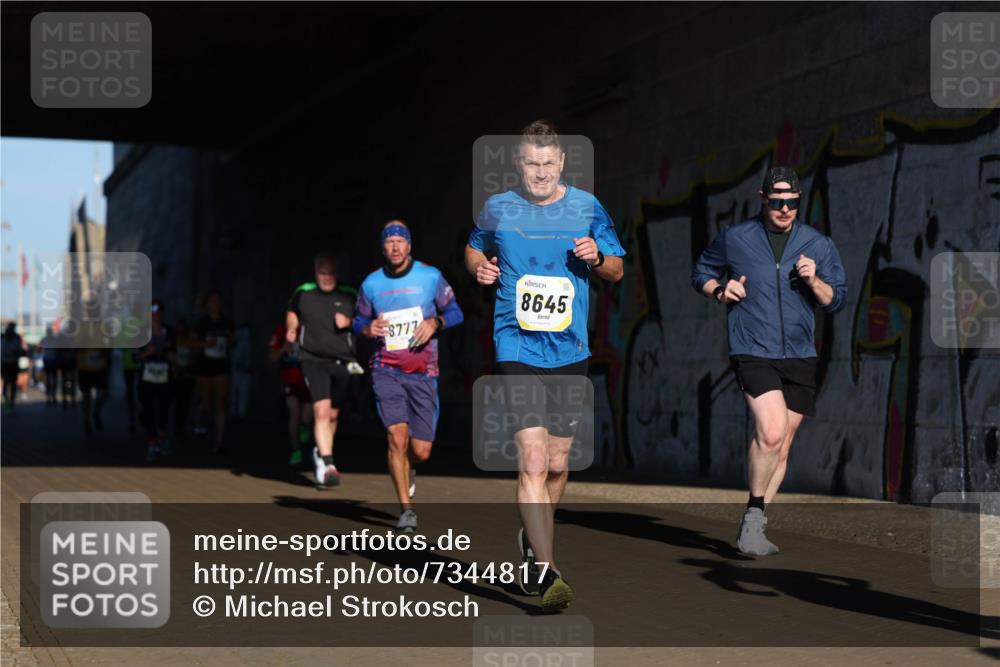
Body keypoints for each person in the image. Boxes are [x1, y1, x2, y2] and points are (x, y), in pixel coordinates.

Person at [465, 120, 625, 611]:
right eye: (530, 163)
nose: (538, 172)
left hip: (571, 350)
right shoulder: (500, 207)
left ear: (561, 164)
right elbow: (474, 247)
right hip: (515, 346)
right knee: (532, 460)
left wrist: (597, 257)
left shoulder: (586, 207)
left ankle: (533, 537)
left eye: (547, 164)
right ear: (519, 165)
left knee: (558, 463)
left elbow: (618, 269)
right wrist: (480, 269)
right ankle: (547, 570)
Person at [691, 166, 847, 556]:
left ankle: (756, 526)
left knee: (783, 443)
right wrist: (719, 290)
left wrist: (814, 281)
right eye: (777, 202)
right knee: (772, 432)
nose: (784, 210)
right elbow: (702, 273)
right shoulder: (736, 238)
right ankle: (753, 517)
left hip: (800, 353)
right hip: (753, 348)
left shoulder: (818, 243)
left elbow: (836, 298)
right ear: (763, 199)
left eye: (792, 203)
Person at [354, 220, 464, 533]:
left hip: (423, 373)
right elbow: (358, 320)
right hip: (385, 368)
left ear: (409, 245)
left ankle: (408, 467)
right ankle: (407, 512)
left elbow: (457, 312)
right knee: (396, 438)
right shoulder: (371, 284)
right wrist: (366, 329)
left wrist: (436, 323)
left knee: (421, 451)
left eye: (401, 241)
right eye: (389, 242)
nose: (395, 246)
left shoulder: (430, 277)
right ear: (383, 247)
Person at [286, 253, 361, 488]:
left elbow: (367, 322)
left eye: (331, 273)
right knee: (320, 411)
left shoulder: (350, 293)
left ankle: (321, 451)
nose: (327, 278)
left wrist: (349, 322)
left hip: (342, 362)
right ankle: (329, 464)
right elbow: (292, 311)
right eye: (322, 273)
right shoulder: (304, 292)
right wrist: (291, 328)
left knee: (332, 415)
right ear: (315, 272)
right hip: (313, 359)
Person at [193, 290, 235, 453]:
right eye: (212, 301)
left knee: (222, 401)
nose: (215, 304)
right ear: (207, 304)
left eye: (217, 301)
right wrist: (205, 344)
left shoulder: (227, 322)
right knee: (206, 403)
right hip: (205, 365)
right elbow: (190, 342)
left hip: (222, 365)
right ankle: (201, 422)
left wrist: (231, 341)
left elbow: (233, 341)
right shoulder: (201, 323)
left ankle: (219, 438)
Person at [268, 320, 313, 466]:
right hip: (289, 379)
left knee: (306, 417)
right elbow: (272, 356)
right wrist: (283, 349)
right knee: (294, 413)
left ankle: (305, 428)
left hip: (308, 379)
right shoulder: (282, 330)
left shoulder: (312, 329)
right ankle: (296, 450)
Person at [139, 300, 175, 462]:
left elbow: (174, 351)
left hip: (164, 376)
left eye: (159, 310)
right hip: (147, 376)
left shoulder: (169, 331)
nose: (155, 314)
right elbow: (135, 356)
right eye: (152, 311)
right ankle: (152, 442)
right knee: (148, 409)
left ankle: (162, 436)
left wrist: (172, 357)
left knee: (163, 408)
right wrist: (146, 353)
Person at [173, 318, 199, 441]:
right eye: (178, 327)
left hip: (187, 375)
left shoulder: (190, 340)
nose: (180, 330)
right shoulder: (173, 341)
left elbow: (194, 356)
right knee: (178, 401)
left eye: (182, 327)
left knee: (185, 401)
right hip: (177, 375)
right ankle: (178, 425)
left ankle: (181, 425)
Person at [76, 348, 111, 436]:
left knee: (104, 392)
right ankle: (87, 421)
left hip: (100, 367)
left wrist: (106, 353)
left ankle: (96, 412)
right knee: (86, 395)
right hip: (84, 367)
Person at [1, 323, 26, 413]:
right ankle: (9, 401)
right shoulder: (15, 338)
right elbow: (20, 351)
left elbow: (20, 351)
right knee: (10, 383)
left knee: (9, 383)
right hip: (9, 364)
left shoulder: (12, 338)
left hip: (9, 364)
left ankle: (10, 401)